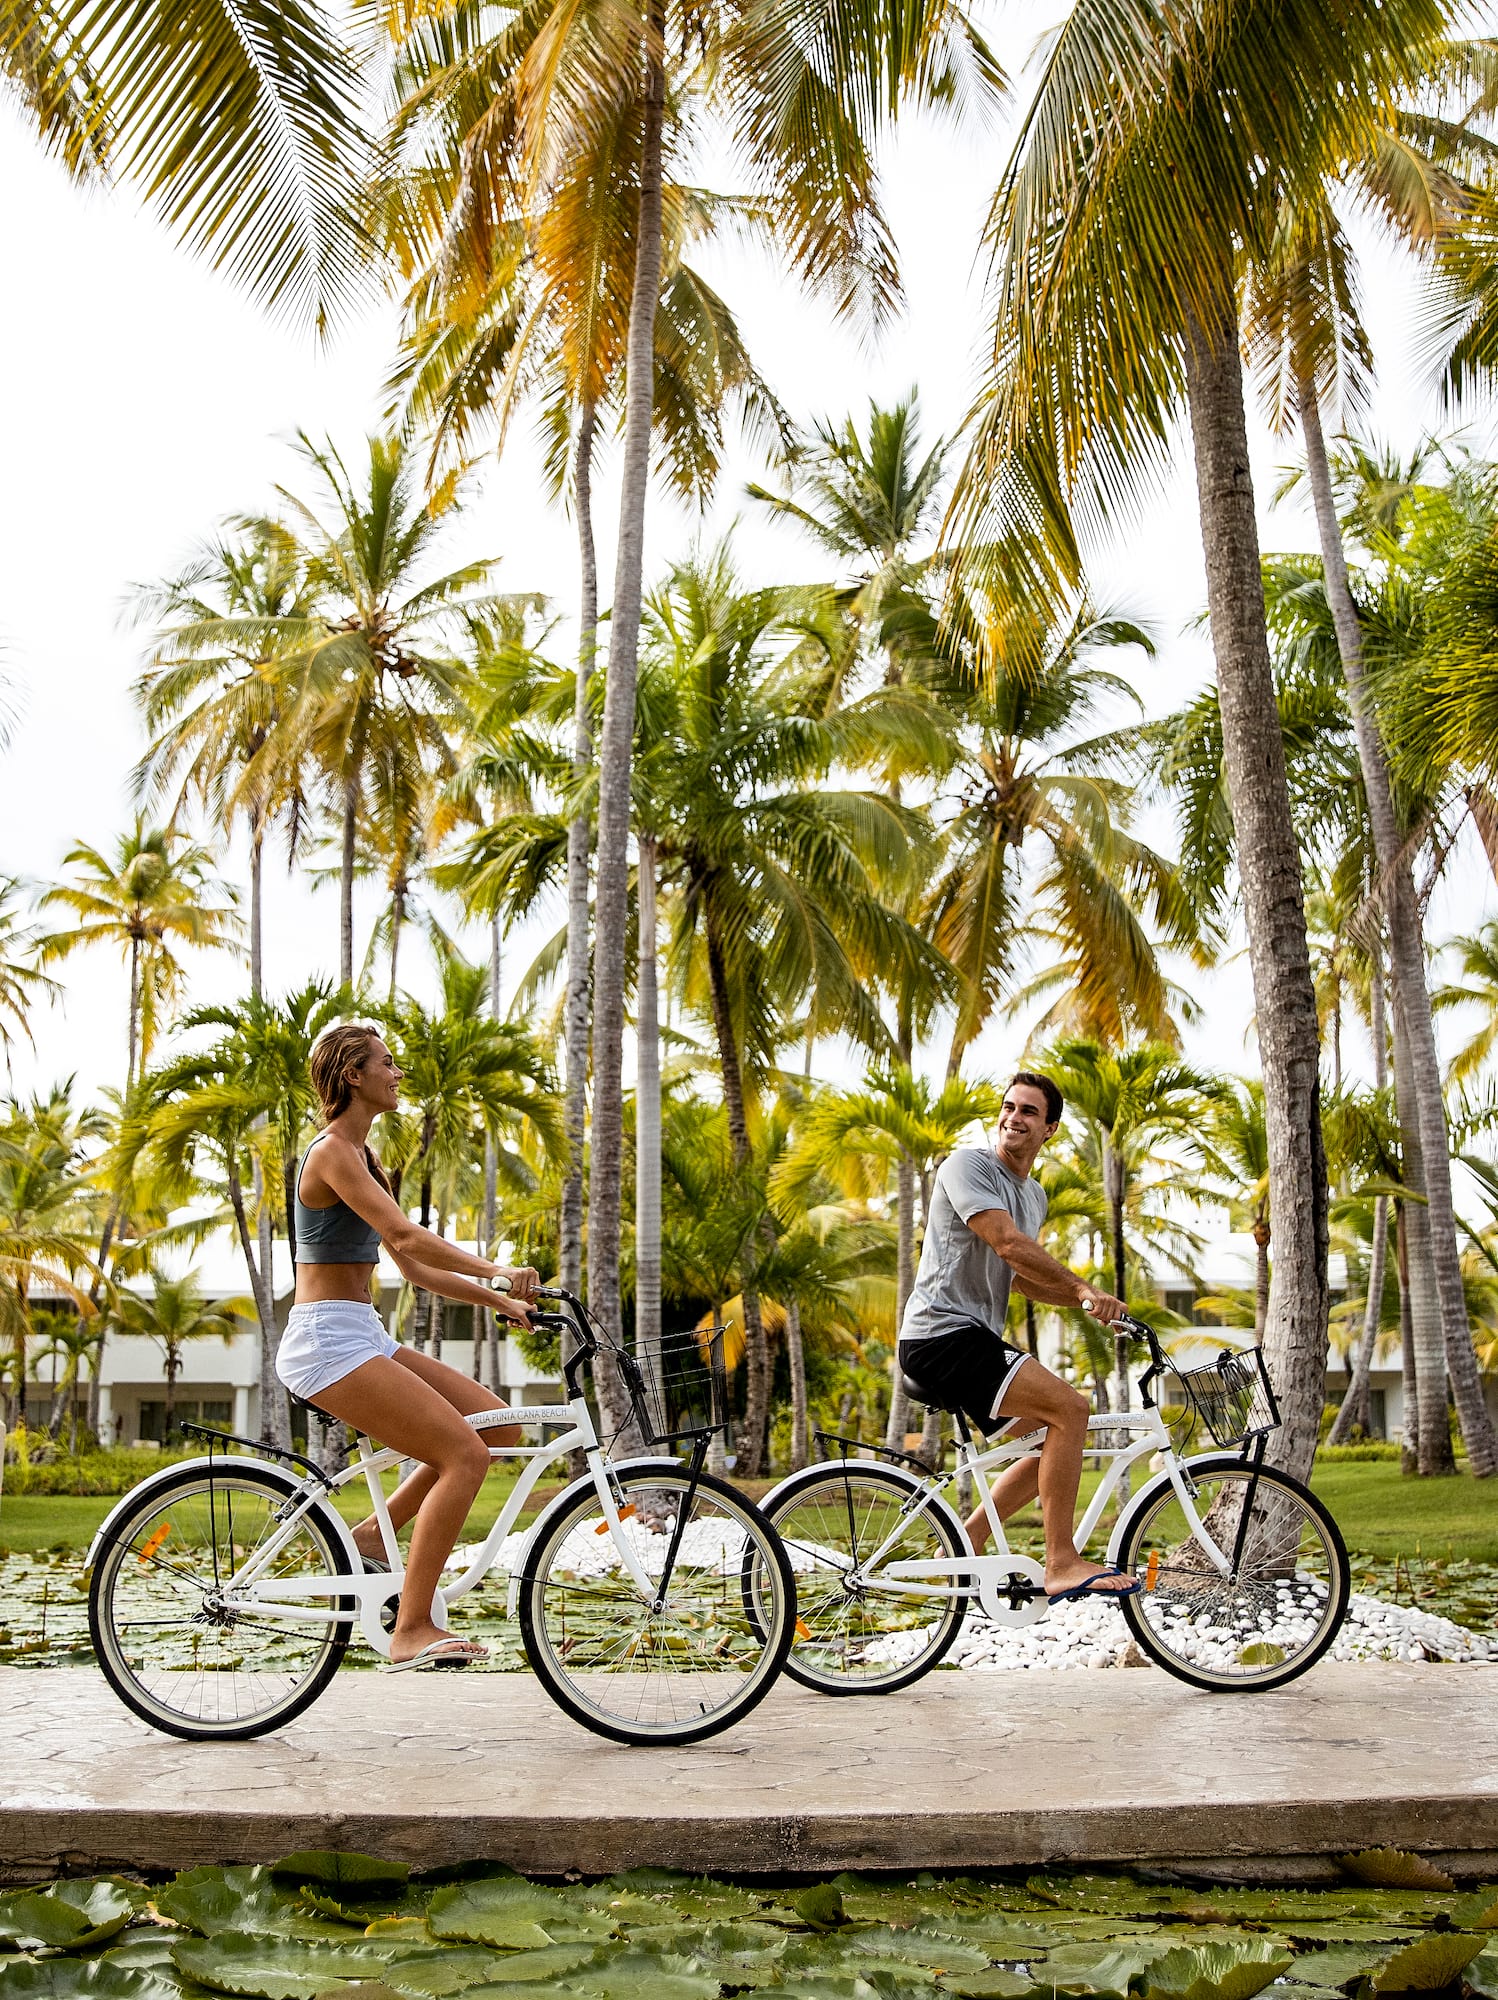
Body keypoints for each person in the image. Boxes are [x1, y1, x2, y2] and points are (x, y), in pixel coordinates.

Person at [275, 1021, 540, 1671]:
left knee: (497, 1429)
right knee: (462, 1456)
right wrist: (496, 1268)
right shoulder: (332, 1151)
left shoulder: (366, 1160)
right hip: (325, 1340)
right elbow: (408, 1235)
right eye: (385, 1064)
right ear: (351, 1076)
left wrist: (498, 1301)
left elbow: (411, 1267)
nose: (397, 1074)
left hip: (361, 1331)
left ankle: (372, 1533)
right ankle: (411, 1628)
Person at [897, 1070, 1139, 1602]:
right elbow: (1006, 1244)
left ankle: (963, 1542)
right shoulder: (969, 1165)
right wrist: (1079, 1283)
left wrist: (1086, 1301)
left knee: (1053, 1440)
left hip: (971, 1340)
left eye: (1029, 1111)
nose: (1014, 1118)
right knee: (1071, 1410)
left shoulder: (1034, 1197)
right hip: (941, 1335)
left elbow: (1021, 1278)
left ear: (1050, 1128)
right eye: (1009, 1107)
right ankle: (1061, 1562)